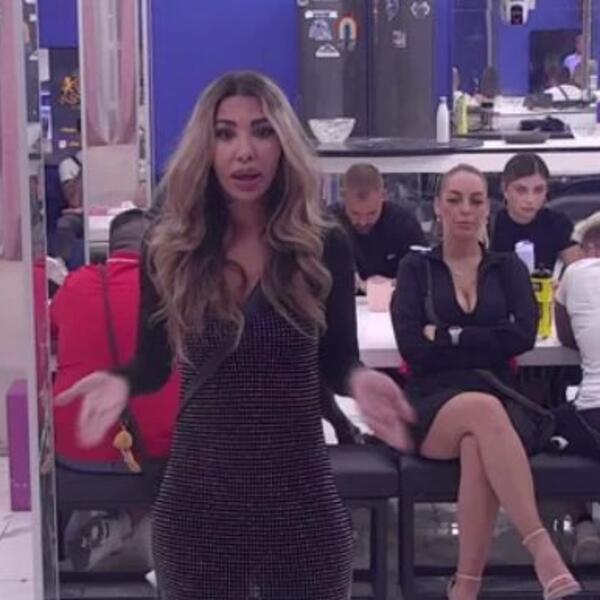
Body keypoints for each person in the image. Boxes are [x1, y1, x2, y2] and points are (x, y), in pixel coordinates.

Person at [56, 71, 413, 600]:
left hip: (300, 501)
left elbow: (337, 359)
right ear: (206, 146)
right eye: (225, 134)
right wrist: (121, 381)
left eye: (262, 131)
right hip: (198, 503)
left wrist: (361, 381)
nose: (244, 151)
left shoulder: (321, 244)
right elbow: (154, 362)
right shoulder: (171, 246)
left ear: (283, 143)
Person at [391, 164, 580, 600]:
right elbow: (412, 347)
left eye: (476, 200)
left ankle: (465, 588)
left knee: (479, 441)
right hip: (432, 403)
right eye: (454, 199)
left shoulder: (507, 267)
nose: (465, 210)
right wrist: (485, 339)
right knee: (482, 409)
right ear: (438, 207)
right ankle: (543, 551)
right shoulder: (416, 268)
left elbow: (522, 336)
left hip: (501, 396)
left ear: (487, 209)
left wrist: (447, 336)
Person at [51, 208, 180, 570]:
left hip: (78, 449)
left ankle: (120, 523)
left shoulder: (76, 285)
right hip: (159, 452)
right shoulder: (177, 290)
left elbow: (51, 334)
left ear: (108, 249)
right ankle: (134, 523)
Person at [554, 213, 600, 563]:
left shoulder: (576, 272)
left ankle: (583, 523)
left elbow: (566, 336)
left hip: (593, 417)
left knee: (550, 416)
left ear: (589, 248)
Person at [331, 162, 425, 289]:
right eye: (355, 213)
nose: (363, 222)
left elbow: (423, 274)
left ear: (383, 196)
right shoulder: (328, 224)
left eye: (371, 213)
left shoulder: (404, 224)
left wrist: (392, 283)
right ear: (343, 197)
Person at [491, 153, 580, 271]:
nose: (530, 199)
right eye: (521, 190)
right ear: (505, 189)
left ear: (546, 190)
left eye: (538, 190)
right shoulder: (490, 225)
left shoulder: (557, 223)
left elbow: (580, 270)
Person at [56, 119, 84, 266]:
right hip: (79, 215)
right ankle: (64, 265)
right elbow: (74, 201)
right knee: (65, 224)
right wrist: (85, 168)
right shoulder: (68, 165)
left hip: (108, 214)